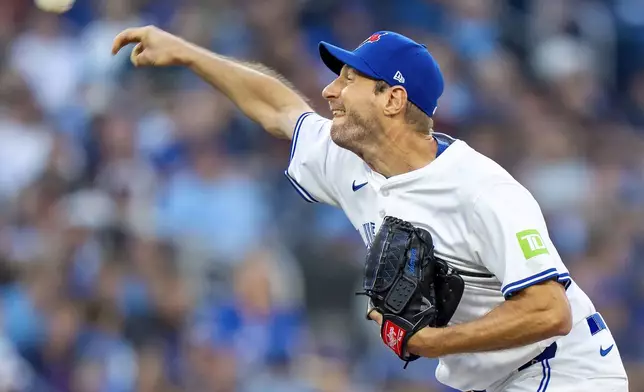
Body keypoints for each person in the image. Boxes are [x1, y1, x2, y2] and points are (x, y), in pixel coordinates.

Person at [111, 26, 629, 392]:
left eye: (349, 80)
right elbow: (276, 108)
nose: (329, 90)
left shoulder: (482, 190)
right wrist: (187, 54)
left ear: (392, 99)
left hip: (564, 374)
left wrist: (433, 342)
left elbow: (549, 310)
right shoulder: (349, 161)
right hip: (495, 381)